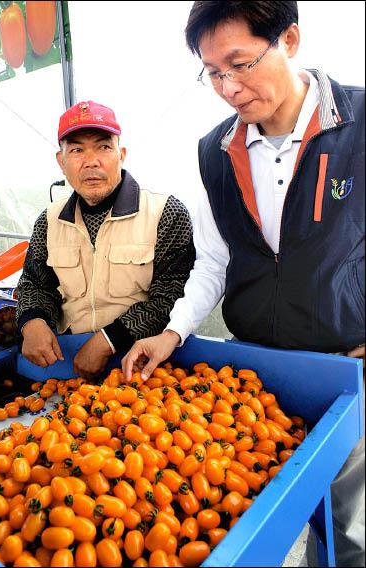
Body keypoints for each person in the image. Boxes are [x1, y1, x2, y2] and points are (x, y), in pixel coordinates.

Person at [121, 2, 365, 567]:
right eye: (212, 72)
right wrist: (174, 333)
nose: (228, 87)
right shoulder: (215, 151)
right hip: (255, 369)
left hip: (345, 361)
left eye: (240, 63)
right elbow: (213, 260)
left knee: (349, 523)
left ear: (291, 40)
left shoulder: (358, 125)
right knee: (250, 512)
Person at [16, 100, 195, 381]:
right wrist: (32, 321)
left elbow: (173, 296)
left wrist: (109, 340)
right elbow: (35, 283)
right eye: (76, 150)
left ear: (121, 154)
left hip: (143, 366)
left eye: (103, 147)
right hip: (68, 362)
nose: (91, 161)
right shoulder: (48, 221)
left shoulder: (165, 213)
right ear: (61, 162)